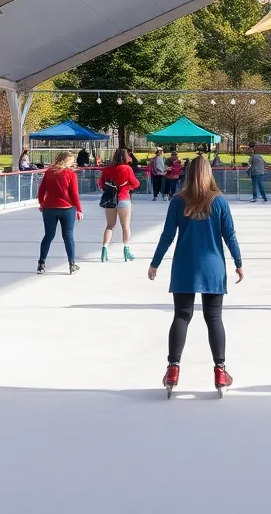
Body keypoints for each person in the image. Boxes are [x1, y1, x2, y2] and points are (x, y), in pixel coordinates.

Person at [150, 156, 243, 397]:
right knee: (214, 318)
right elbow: (229, 235)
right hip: (213, 266)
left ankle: (173, 369)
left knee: (182, 316)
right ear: (209, 173)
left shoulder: (178, 202)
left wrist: (155, 263)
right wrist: (239, 262)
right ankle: (220, 370)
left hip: (184, 265)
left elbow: (167, 235)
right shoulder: (220, 202)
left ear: (189, 174)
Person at [37, 151, 83, 275]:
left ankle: (41, 264)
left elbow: (41, 190)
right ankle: (72, 264)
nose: (73, 163)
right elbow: (74, 194)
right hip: (67, 208)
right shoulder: (70, 174)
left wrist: (42, 203)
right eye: (71, 160)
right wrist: (79, 209)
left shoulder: (49, 172)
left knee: (48, 236)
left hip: (49, 208)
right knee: (68, 236)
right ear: (65, 160)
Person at [99, 148, 139, 263]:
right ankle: (126, 251)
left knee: (110, 225)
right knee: (125, 226)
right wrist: (127, 187)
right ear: (124, 156)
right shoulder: (127, 168)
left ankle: (104, 249)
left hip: (110, 199)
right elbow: (136, 183)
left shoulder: (107, 169)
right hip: (123, 198)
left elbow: (101, 184)